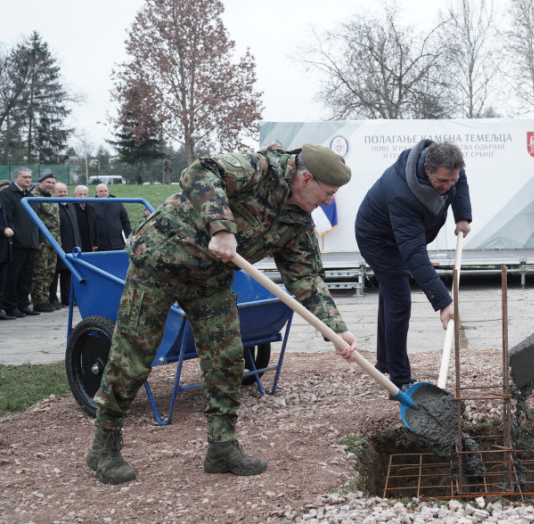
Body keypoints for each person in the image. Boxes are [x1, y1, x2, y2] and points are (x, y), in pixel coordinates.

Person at [87, 142, 358, 485]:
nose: (330, 201)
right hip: (161, 259)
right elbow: (200, 171)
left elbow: (306, 278)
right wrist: (222, 227)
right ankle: (105, 444)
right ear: (306, 179)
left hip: (210, 278)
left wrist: (336, 330)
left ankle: (222, 447)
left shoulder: (297, 222)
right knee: (134, 355)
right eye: (329, 192)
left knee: (227, 358)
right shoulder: (260, 169)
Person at [354, 140, 471, 392]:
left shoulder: (448, 168)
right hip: (378, 239)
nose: (448, 186)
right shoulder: (402, 192)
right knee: (399, 301)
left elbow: (460, 182)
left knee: (390, 292)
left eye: (452, 179)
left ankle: (385, 361)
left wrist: (462, 216)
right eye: (442, 181)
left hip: (399, 235)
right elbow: (415, 255)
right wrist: (443, 302)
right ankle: (399, 381)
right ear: (427, 169)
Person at [0, 168, 41, 318]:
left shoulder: (30, 196)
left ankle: (24, 304)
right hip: (15, 244)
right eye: (25, 177)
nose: (28, 180)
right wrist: (12, 237)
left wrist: (38, 239)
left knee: (26, 277)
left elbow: (36, 220)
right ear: (16, 177)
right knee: (13, 278)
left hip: (30, 243)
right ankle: (11, 306)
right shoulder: (6, 195)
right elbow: (7, 218)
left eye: (30, 177)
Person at [30, 172, 60, 313]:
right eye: (48, 182)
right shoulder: (33, 197)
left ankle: (46, 299)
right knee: (39, 272)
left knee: (49, 272)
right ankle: (38, 301)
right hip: (42, 241)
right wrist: (38, 240)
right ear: (40, 182)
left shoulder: (51, 198)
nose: (50, 185)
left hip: (53, 241)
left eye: (53, 183)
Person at [51, 182, 81, 307]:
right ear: (54, 193)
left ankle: (68, 298)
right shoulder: (53, 207)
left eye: (64, 191)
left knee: (68, 273)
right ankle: (52, 299)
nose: (63, 194)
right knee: (54, 274)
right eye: (60, 192)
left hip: (71, 245)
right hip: (58, 245)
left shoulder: (70, 205)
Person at [92, 183, 131, 251]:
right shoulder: (91, 205)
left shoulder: (117, 203)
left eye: (105, 191)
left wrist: (129, 236)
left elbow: (125, 221)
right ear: (96, 193)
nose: (104, 193)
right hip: (100, 244)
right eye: (101, 191)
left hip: (117, 243)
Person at [0, 181, 14, 320]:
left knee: (3, 281)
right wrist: (3, 230)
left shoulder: (2, 204)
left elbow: (9, 220)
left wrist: (10, 228)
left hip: (4, 249)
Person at [73, 185, 99, 252]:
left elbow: (94, 226)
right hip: (76, 243)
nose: (82, 196)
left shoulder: (91, 208)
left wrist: (95, 243)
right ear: (74, 195)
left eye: (85, 194)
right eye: (80, 194)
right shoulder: (71, 208)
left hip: (89, 242)